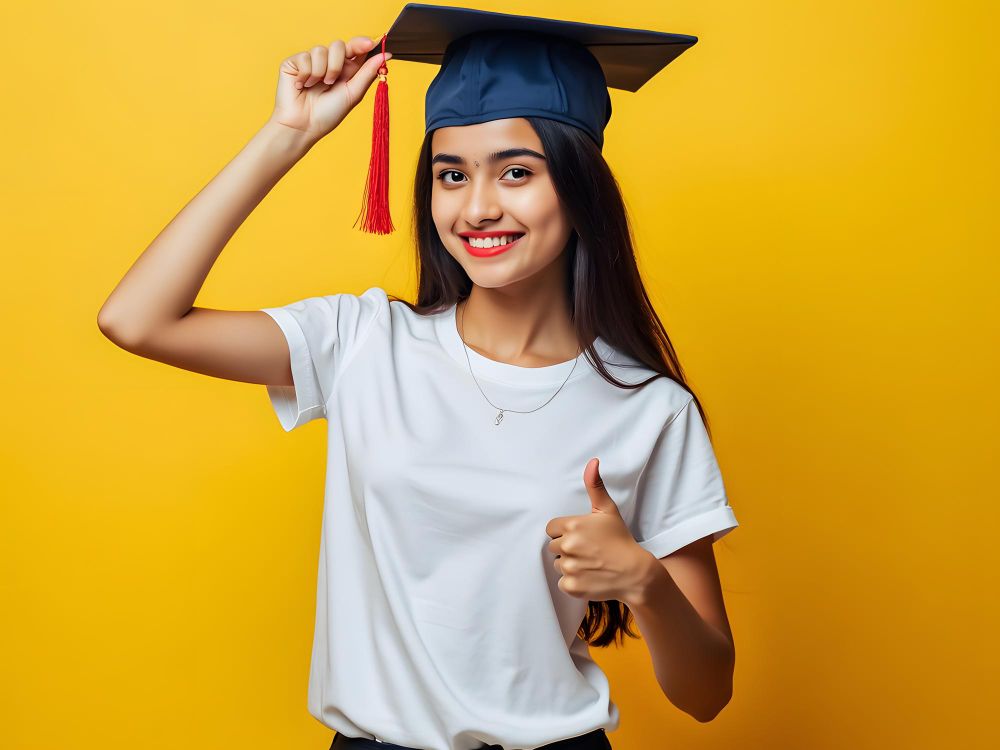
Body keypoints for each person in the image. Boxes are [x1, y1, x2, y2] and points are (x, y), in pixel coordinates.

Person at [97, 4, 740, 750]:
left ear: (578, 187)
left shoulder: (648, 410)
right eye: (451, 174)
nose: (477, 207)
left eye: (517, 172)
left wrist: (644, 583)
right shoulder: (365, 342)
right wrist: (290, 134)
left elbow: (706, 694)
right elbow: (137, 320)